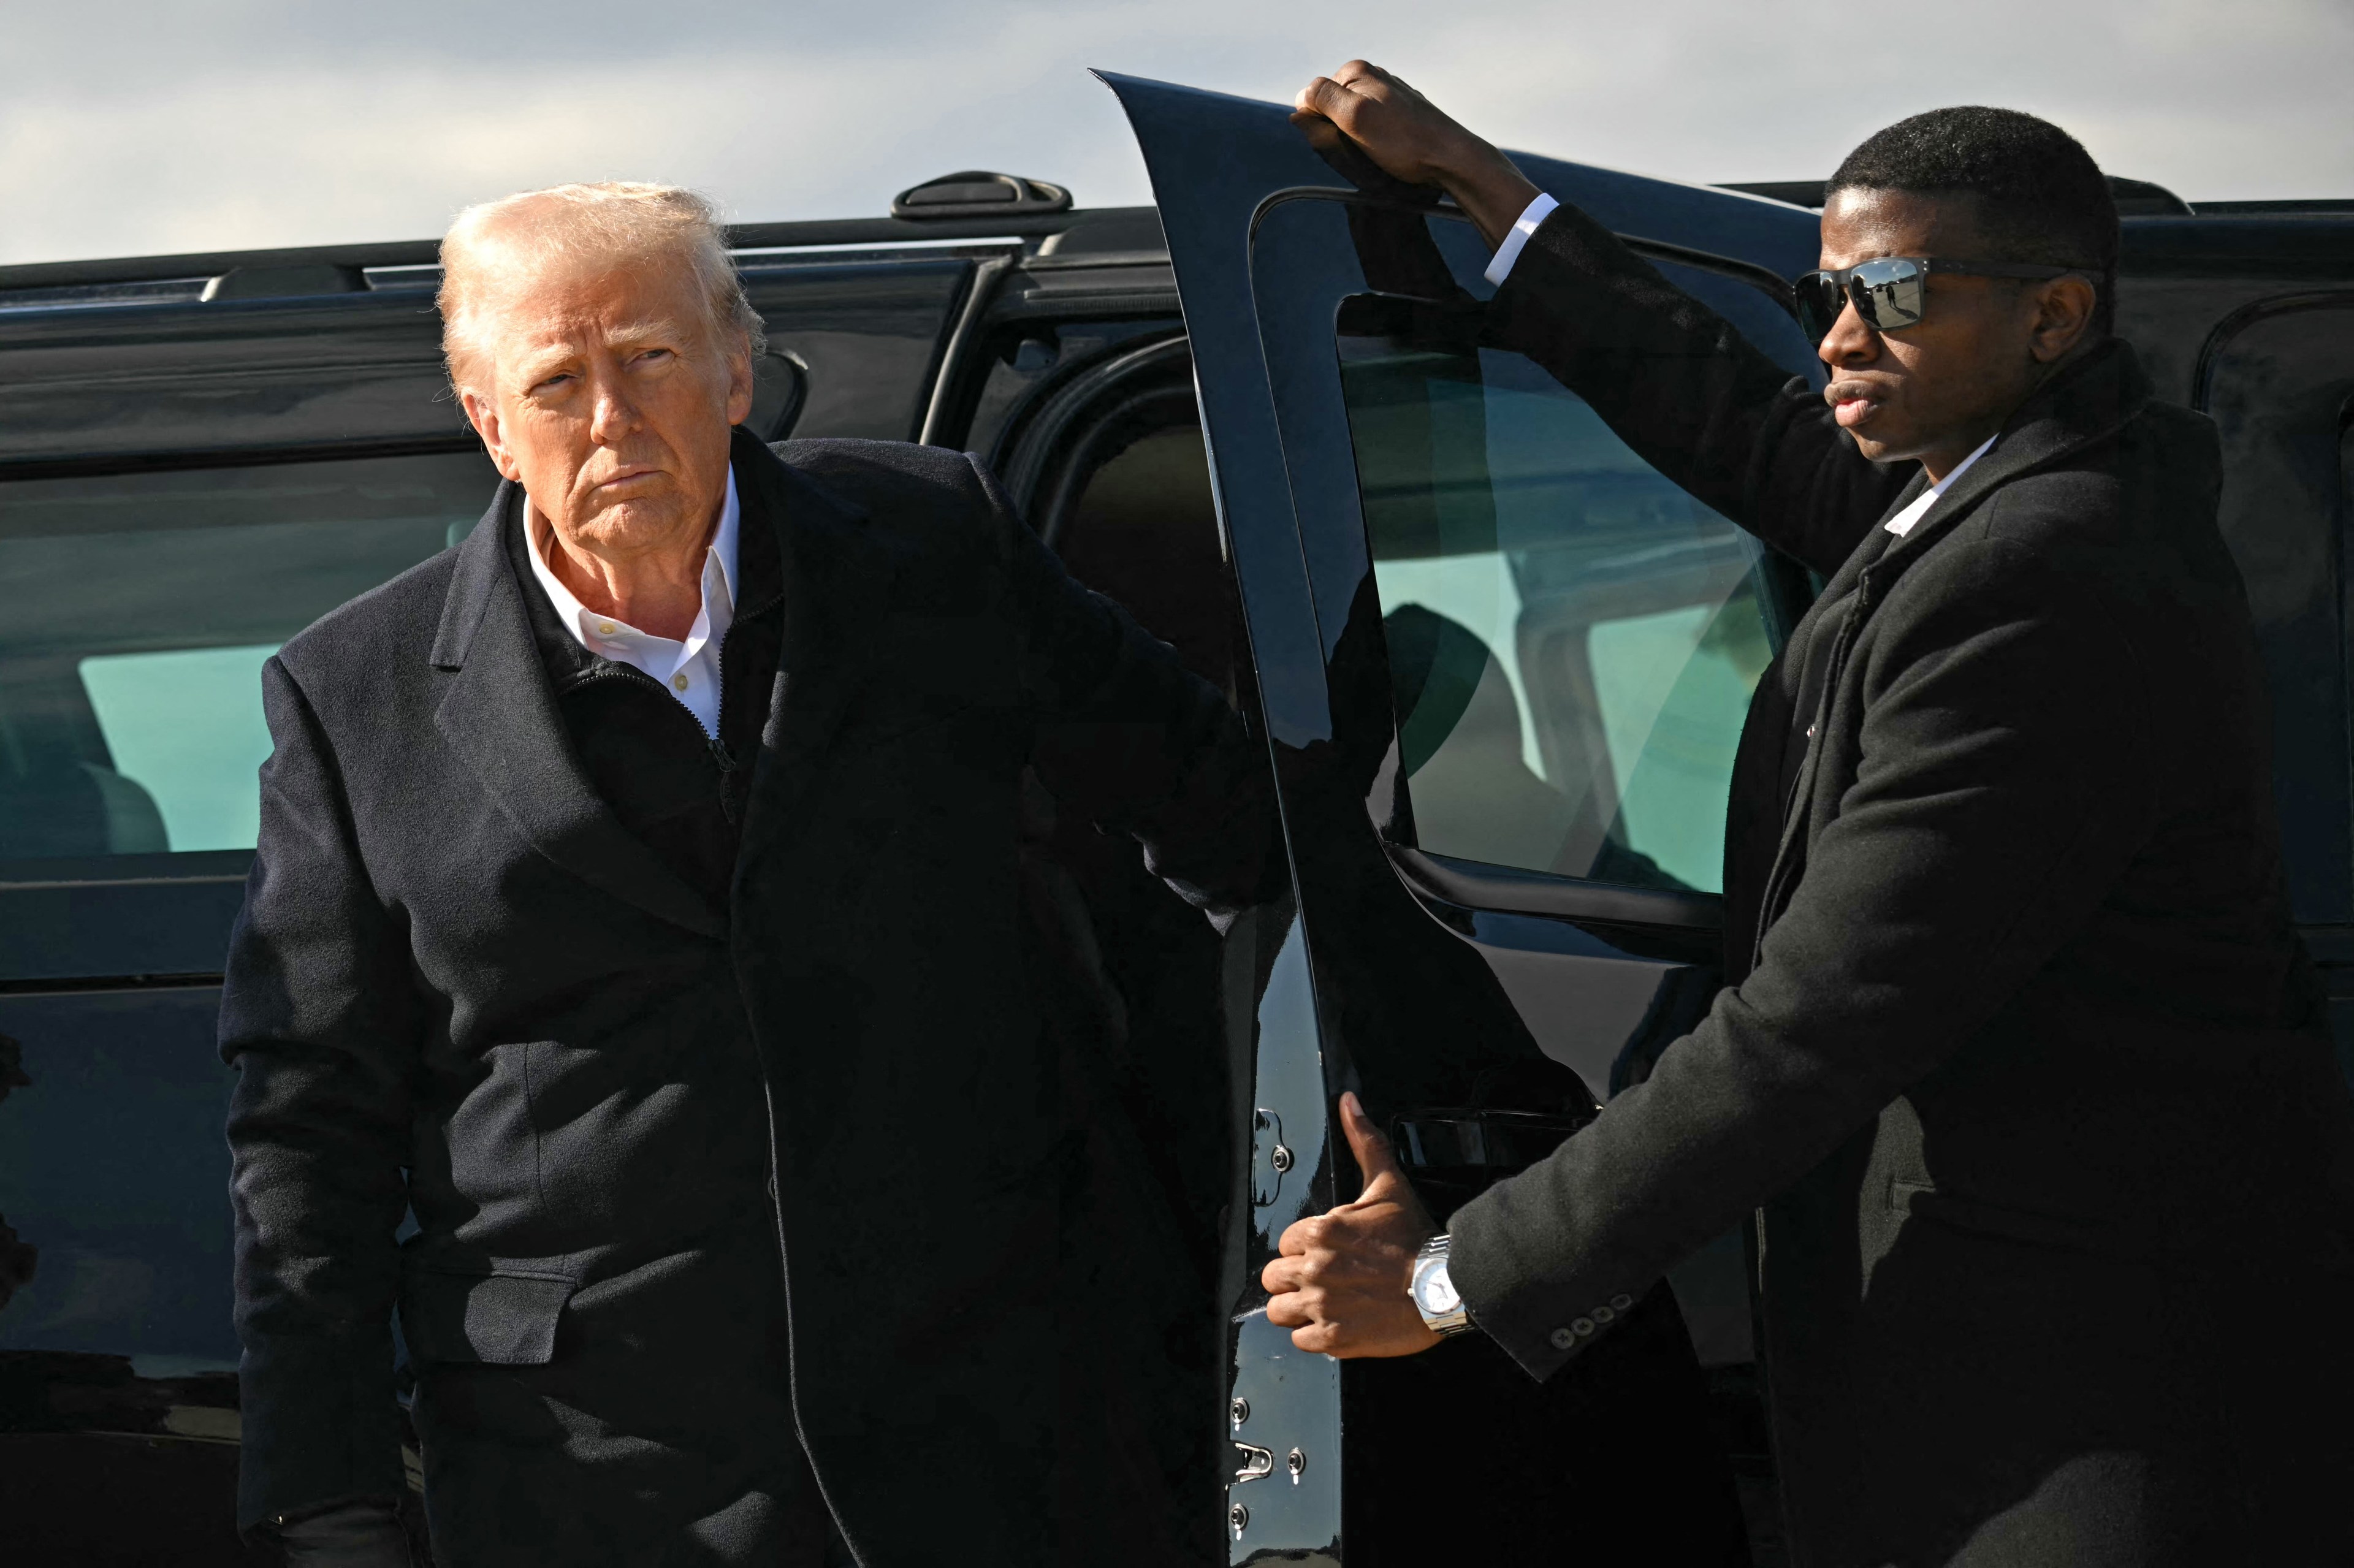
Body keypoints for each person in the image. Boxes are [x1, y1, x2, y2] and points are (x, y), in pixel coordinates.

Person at [1270, 62, 2354, 1564]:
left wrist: (1452, 1280)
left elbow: (1818, 1020)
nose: (1842, 333)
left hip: (2075, 1408)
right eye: (1826, 287)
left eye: (1895, 291)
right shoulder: (2008, 494)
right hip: (2016, 1379)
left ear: (2053, 318)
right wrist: (1484, 189)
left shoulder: (2049, 570)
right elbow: (1746, 424)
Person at [219, 182, 1264, 1567]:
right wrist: (328, 1495)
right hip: (599, 1472)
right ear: (489, 423)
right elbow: (307, 1130)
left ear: (735, 368)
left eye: (650, 357)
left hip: (1006, 1426)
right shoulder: (352, 699)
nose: (610, 416)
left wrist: (1336, 1124)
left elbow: (1230, 820)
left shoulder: (938, 552)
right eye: (556, 380)